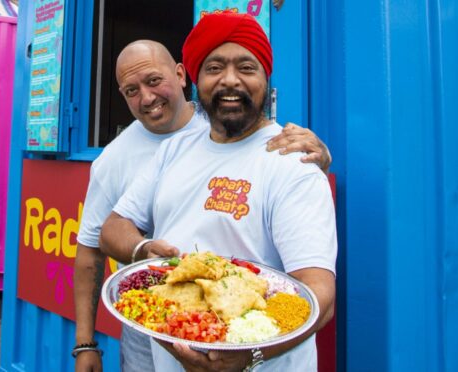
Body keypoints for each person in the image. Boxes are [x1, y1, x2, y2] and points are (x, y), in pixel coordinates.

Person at [74, 38, 332, 371]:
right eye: (131, 90)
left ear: (182, 76)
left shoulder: (281, 152)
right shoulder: (137, 155)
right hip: (157, 327)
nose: (148, 98)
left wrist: (249, 355)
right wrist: (85, 344)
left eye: (154, 81)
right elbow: (97, 242)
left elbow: (318, 297)